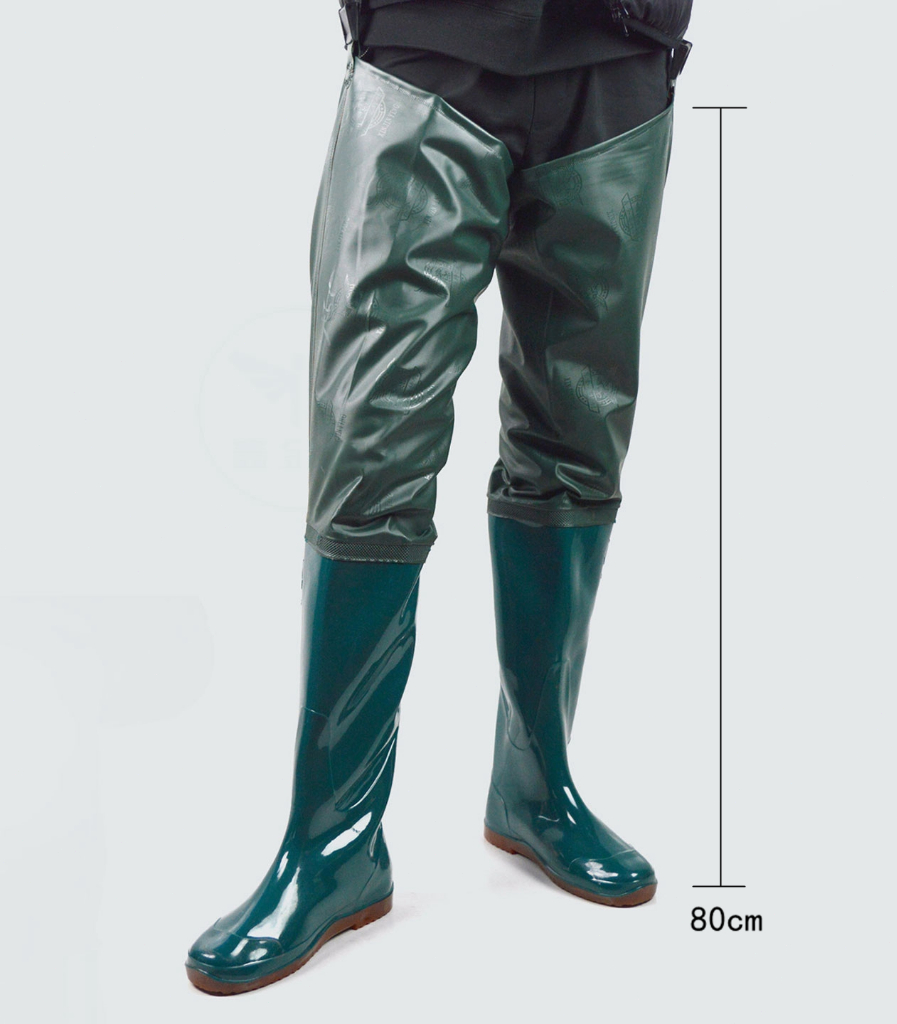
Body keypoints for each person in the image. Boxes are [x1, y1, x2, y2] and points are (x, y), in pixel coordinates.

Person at [185, 0, 693, 995]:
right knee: (370, 443)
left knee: (578, 436)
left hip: (619, 62)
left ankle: (536, 785)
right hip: (429, 51)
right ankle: (332, 844)